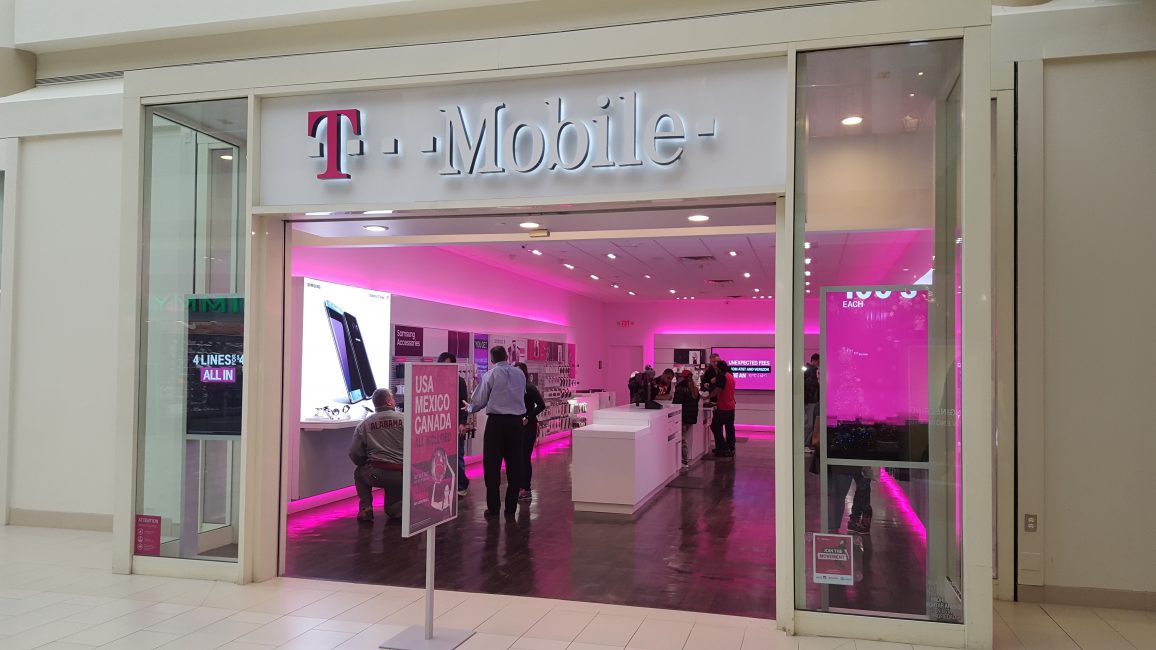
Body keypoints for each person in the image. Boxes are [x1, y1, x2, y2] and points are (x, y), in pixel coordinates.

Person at [466, 345, 526, 518]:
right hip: (516, 423)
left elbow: (479, 400)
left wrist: (469, 408)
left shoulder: (490, 375)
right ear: (507, 356)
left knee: (492, 466)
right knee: (515, 465)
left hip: (496, 423)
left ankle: (493, 508)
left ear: (492, 359)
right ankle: (511, 508)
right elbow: (521, 394)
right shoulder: (519, 374)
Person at [348, 388, 405, 523]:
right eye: (393, 398)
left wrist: (364, 463)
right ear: (389, 402)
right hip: (403, 474)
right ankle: (397, 510)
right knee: (393, 510)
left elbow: (354, 453)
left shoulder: (364, 424)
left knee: (359, 473)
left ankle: (366, 508)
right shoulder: (406, 419)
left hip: (377, 474)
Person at [437, 352, 471, 497]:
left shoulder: (459, 382)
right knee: (441, 457)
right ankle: (446, 484)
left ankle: (462, 484)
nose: (445, 368)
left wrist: (462, 423)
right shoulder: (435, 380)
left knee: (457, 456)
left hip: (455, 424)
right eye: (443, 365)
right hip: (439, 425)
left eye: (449, 365)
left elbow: (464, 404)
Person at [514, 362, 546, 501]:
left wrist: (528, 417)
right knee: (518, 457)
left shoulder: (529, 388)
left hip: (528, 427)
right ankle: (520, 486)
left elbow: (541, 405)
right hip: (517, 427)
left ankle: (526, 489)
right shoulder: (514, 388)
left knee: (524, 457)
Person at [671, 369, 701, 470]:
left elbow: (676, 404)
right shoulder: (695, 389)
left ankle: (684, 460)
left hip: (682, 417)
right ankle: (684, 460)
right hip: (690, 418)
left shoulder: (680, 389)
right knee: (684, 438)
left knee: (682, 439)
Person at [709, 360, 737, 457]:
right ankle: (729, 447)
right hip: (731, 406)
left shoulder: (722, 376)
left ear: (719, 368)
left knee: (715, 427)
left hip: (723, 407)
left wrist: (707, 396)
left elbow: (718, 389)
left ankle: (724, 447)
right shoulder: (730, 376)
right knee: (729, 428)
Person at [803, 353, 820, 452]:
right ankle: (806, 444)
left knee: (810, 423)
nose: (819, 363)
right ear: (814, 360)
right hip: (810, 401)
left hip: (810, 401)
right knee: (809, 423)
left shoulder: (811, 371)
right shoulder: (811, 371)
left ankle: (807, 444)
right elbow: (810, 386)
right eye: (818, 361)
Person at [429, 447, 454, 512]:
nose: (440, 460)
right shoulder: (430, 481)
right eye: (437, 457)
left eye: (442, 457)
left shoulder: (447, 479)